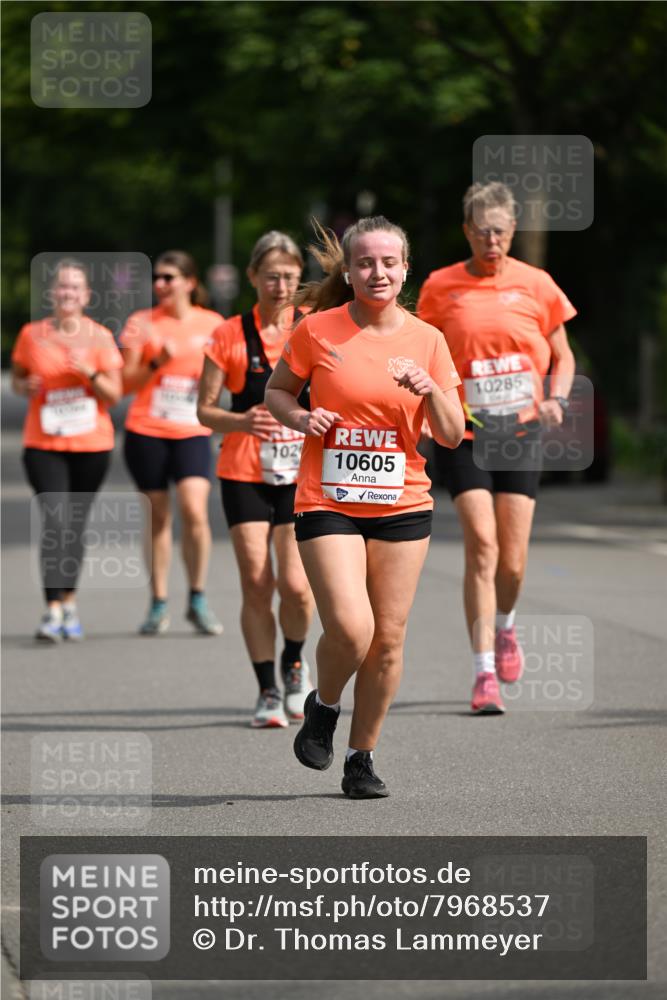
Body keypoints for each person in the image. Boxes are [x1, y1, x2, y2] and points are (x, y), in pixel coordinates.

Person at [264, 217, 464, 798]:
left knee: (389, 640)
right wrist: (301, 417)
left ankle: (361, 758)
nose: (378, 272)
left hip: (402, 500)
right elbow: (277, 392)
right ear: (349, 272)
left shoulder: (429, 339)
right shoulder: (316, 330)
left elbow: (451, 436)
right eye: (366, 263)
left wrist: (429, 388)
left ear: (406, 270)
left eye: (389, 263)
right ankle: (325, 706)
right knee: (352, 628)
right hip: (327, 497)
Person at [417, 182, 577, 715]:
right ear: (467, 230)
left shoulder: (537, 284)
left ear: (513, 232)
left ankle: (506, 627)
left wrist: (555, 396)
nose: (492, 239)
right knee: (481, 547)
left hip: (521, 430)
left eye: (501, 230)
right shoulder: (441, 286)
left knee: (513, 561)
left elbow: (562, 355)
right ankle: (483, 670)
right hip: (465, 431)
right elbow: (422, 354)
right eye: (482, 229)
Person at [197, 231, 315, 729]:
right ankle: (267, 687)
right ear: (253, 278)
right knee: (255, 581)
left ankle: (293, 661)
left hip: (299, 470)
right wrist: (243, 420)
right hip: (244, 469)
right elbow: (204, 411)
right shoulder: (228, 334)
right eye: (272, 276)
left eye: (289, 276)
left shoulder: (312, 328)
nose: (281, 285)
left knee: (296, 585)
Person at [11, 258, 123, 641]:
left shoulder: (100, 338)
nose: (68, 293)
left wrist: (87, 373)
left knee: (74, 526)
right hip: (43, 443)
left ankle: (70, 604)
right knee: (55, 522)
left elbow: (114, 394)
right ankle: (52, 609)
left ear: (86, 295)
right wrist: (24, 387)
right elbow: (19, 378)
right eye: (62, 287)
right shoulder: (32, 334)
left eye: (75, 287)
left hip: (92, 445)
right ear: (52, 293)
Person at [120, 250, 224, 636]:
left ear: (190, 282)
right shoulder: (141, 323)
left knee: (195, 510)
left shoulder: (213, 323)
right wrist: (154, 363)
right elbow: (124, 384)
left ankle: (197, 596)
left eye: (169, 277)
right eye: (157, 278)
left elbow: (229, 373)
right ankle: (159, 600)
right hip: (147, 430)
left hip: (192, 429)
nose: (160, 284)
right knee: (158, 517)